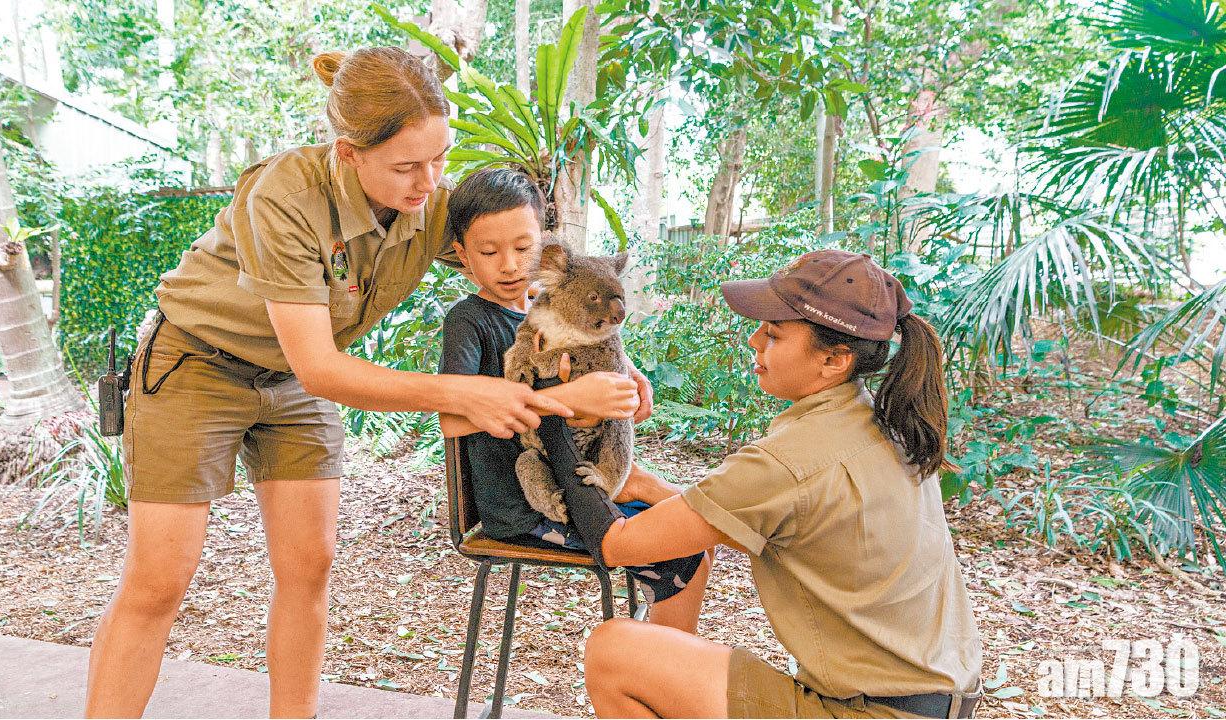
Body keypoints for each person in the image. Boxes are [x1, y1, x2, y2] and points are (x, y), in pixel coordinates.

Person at [85, 48, 653, 718]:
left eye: (439, 157)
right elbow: (320, 367)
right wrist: (461, 393)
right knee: (159, 581)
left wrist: (613, 353)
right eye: (408, 166)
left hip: (294, 383)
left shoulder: (429, 206)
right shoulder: (286, 196)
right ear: (348, 154)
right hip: (199, 364)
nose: (429, 181)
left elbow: (533, 265)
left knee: (309, 568)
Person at [581, 250, 984, 718]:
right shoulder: (880, 423)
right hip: (933, 702)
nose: (754, 341)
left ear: (834, 359)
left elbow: (618, 546)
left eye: (773, 334)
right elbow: (735, 516)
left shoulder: (788, 462)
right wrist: (648, 485)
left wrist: (561, 418)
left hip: (867, 712)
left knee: (615, 652)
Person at [435, 168, 709, 629]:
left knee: (693, 545)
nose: (510, 265)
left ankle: (665, 672)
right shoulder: (469, 320)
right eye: (489, 251)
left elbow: (591, 347)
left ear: (545, 248)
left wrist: (627, 377)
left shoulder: (545, 309)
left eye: (524, 249)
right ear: (462, 254)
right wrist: (569, 397)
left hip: (577, 474)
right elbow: (451, 422)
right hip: (524, 502)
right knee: (682, 555)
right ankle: (661, 674)